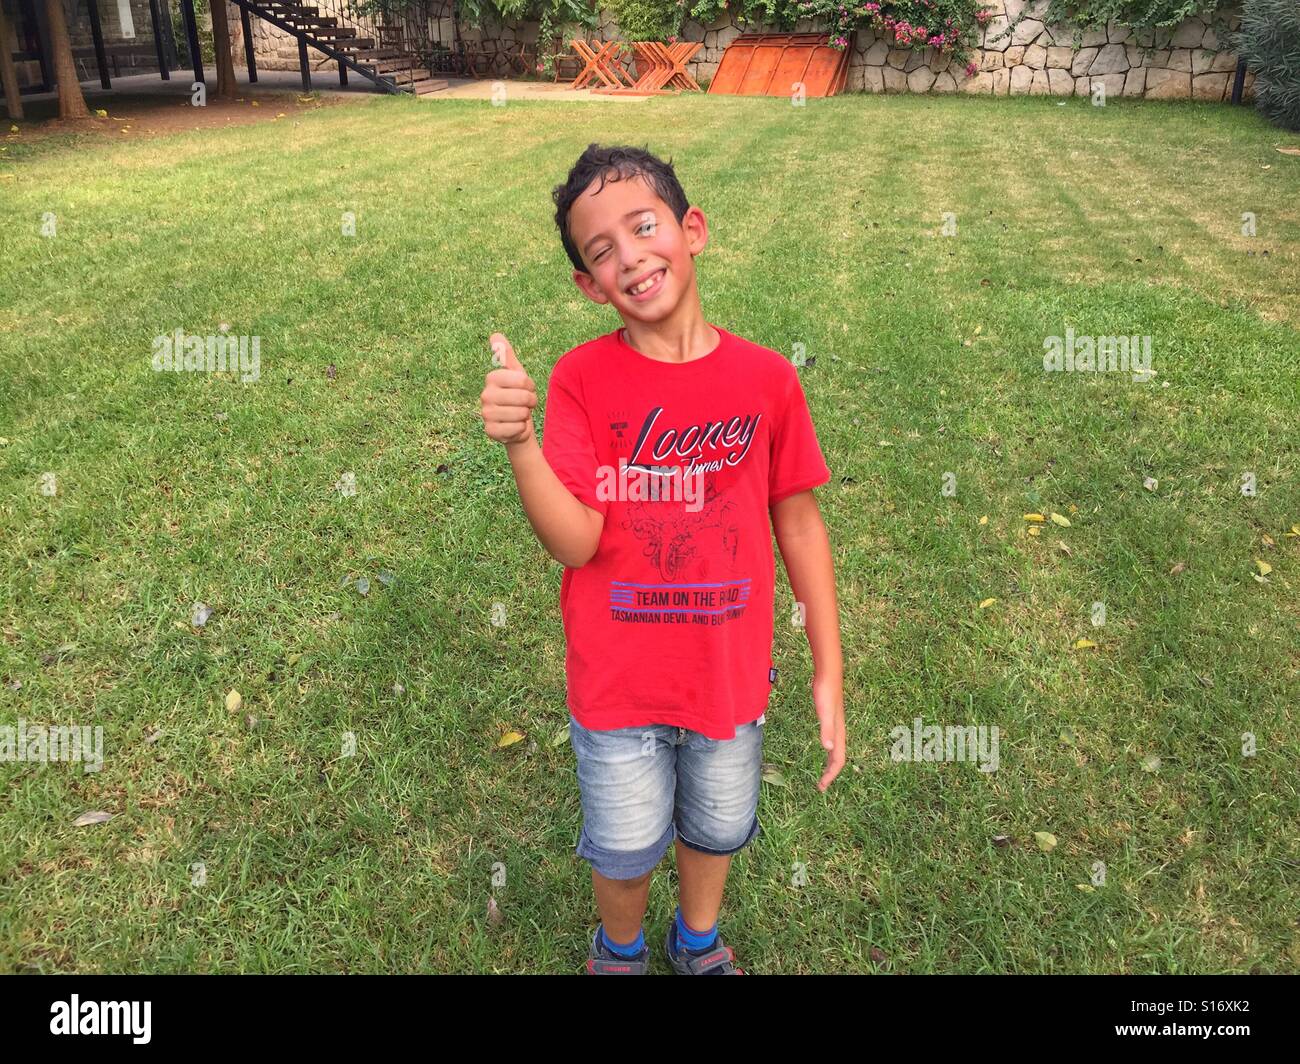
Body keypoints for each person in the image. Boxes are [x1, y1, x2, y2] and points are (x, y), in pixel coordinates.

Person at [479, 143, 845, 974]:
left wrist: (829, 668)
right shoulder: (579, 380)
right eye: (601, 251)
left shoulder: (767, 379)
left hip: (729, 674)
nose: (630, 255)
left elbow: (800, 524)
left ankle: (699, 942)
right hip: (618, 685)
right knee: (626, 842)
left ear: (692, 229)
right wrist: (523, 445)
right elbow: (576, 541)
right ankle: (619, 950)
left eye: (644, 227)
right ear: (588, 285)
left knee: (717, 824)